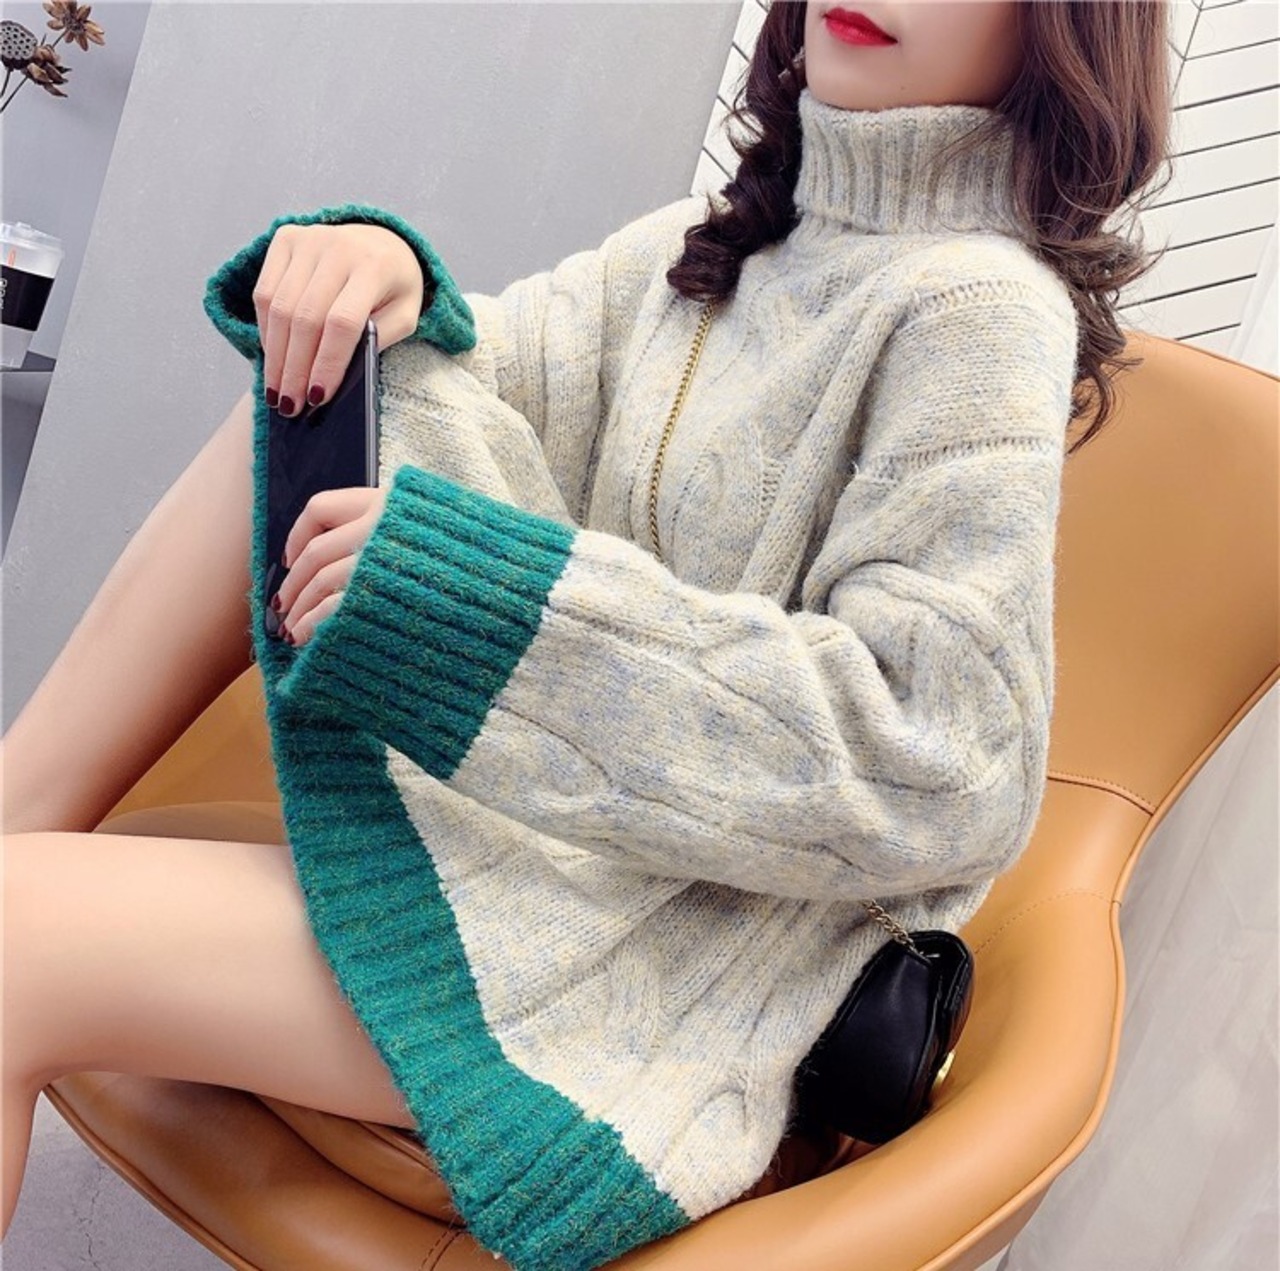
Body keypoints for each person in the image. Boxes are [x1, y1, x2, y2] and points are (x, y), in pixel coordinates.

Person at [0, 2, 1172, 1266]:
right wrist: (384, 282)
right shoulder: (709, 245)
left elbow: (939, 752)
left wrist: (491, 605)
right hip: (540, 876)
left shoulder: (979, 310)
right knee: (323, 380)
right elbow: (471, 392)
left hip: (643, 997)